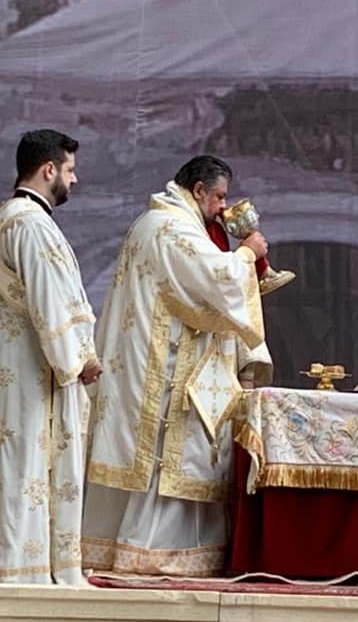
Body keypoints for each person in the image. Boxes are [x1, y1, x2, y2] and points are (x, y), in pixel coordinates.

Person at [82, 155, 272, 577]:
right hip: (160, 364)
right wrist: (245, 255)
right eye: (219, 196)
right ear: (199, 190)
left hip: (160, 354)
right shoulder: (169, 227)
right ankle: (151, 553)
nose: (223, 206)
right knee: (162, 459)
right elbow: (210, 278)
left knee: (164, 458)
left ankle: (159, 551)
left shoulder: (170, 223)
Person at [0, 129, 101, 583]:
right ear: (48, 169)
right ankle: (22, 572)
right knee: (25, 463)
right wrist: (79, 358)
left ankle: (2, 564)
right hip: (33, 368)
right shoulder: (31, 224)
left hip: (3, 362)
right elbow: (52, 298)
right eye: (69, 169)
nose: (75, 178)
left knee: (7, 465)